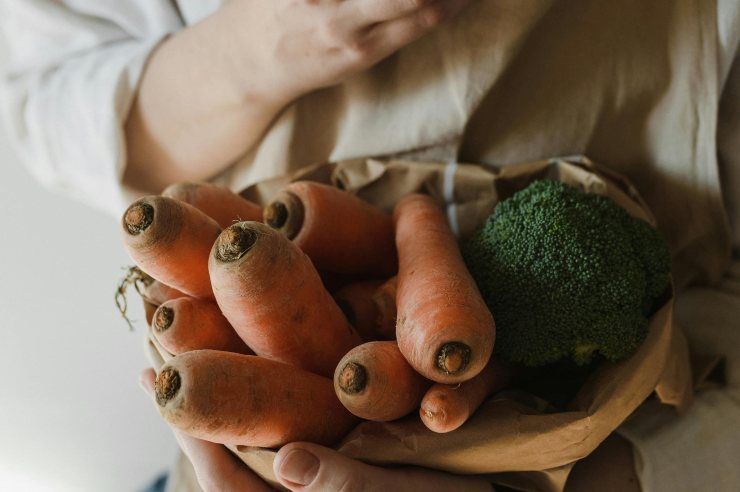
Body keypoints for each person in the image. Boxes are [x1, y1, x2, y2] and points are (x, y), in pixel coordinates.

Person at [1, 1, 739, 491]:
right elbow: (44, 105)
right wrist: (256, 48)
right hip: (241, 466)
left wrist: (628, 475)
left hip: (656, 440)